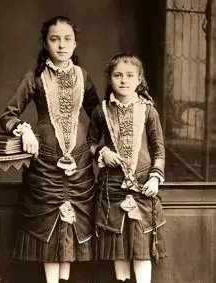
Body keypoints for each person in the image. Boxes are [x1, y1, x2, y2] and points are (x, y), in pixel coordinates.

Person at [0, 16, 99, 283]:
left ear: (75, 43)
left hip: (79, 164)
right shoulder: (33, 78)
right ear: (46, 43)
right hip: (45, 162)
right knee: (49, 228)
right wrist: (24, 129)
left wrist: (94, 147)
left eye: (67, 39)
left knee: (71, 227)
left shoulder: (84, 77)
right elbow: (7, 115)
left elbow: (100, 118)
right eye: (55, 39)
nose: (62, 45)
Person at [87, 53, 166, 283]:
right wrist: (102, 151)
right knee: (118, 248)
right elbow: (89, 144)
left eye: (130, 75)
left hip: (143, 188)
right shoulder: (100, 111)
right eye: (118, 75)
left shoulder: (149, 111)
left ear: (139, 79)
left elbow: (159, 150)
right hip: (112, 188)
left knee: (142, 249)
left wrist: (154, 178)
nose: (124, 80)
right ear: (110, 78)